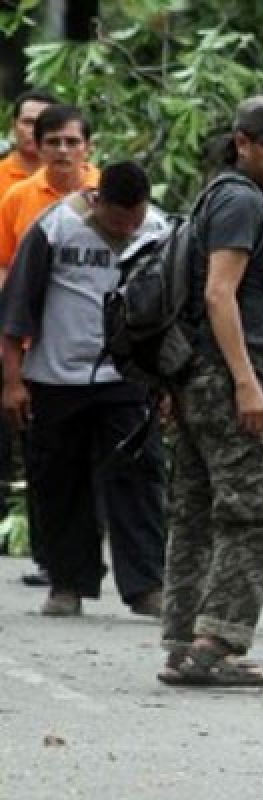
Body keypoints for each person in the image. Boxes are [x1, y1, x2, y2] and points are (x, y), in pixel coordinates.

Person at [158, 95, 263, 687]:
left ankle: (183, 641)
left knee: (196, 511)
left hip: (200, 374)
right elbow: (220, 294)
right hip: (223, 379)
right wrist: (247, 382)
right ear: (243, 142)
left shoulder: (222, 195)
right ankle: (215, 641)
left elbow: (229, 298)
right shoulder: (242, 200)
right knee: (254, 516)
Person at [0, 161, 168, 617]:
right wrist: (13, 382)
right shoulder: (55, 228)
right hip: (56, 377)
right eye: (117, 221)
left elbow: (172, 311)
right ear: (99, 202)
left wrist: (169, 382)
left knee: (139, 478)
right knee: (58, 481)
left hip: (128, 379)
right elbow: (16, 309)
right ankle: (67, 583)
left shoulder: (158, 230)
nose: (125, 229)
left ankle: (147, 584)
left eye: (134, 220)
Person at [0, 88, 56, 587]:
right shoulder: (7, 185)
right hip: (6, 328)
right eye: (27, 123)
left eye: (46, 125)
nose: (35, 134)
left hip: (53, 340)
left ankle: (49, 553)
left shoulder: (92, 189)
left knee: (43, 446)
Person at [0, 104, 100, 271]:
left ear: (88, 147)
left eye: (72, 142)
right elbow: (3, 263)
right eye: (53, 142)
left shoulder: (107, 191)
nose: (62, 150)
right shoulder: (18, 196)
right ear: (39, 148)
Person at [0, 89, 57, 203]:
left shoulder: (72, 177)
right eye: (28, 122)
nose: (35, 130)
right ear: (14, 125)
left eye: (44, 123)